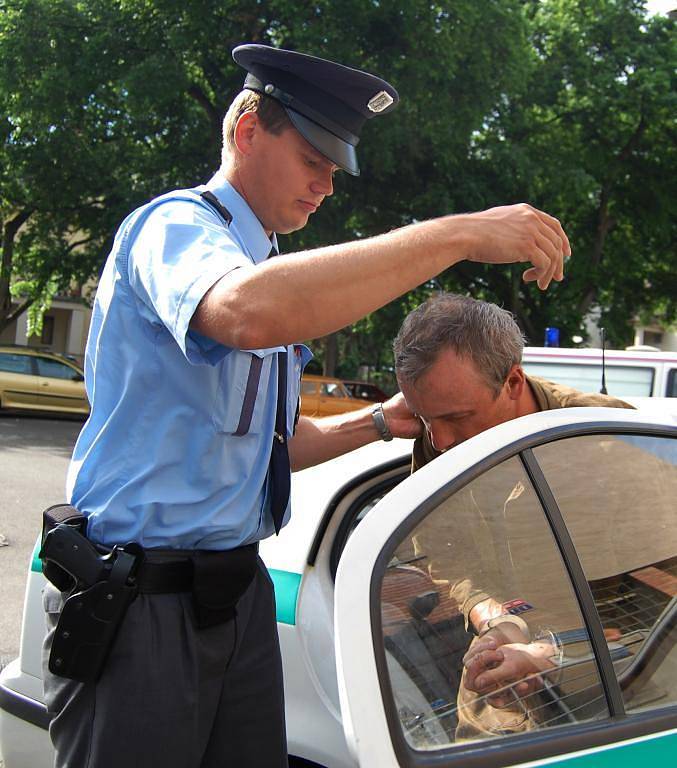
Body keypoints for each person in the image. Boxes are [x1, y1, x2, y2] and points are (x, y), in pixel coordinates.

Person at [42, 44, 571, 768]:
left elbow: (272, 443)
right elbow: (242, 315)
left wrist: (378, 423)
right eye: (314, 157)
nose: (326, 184)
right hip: (145, 601)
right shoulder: (176, 229)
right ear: (249, 131)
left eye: (334, 167)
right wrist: (456, 235)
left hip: (234, 593)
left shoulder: (258, 265)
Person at [392, 292, 633, 740]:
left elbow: (659, 598)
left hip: (623, 689)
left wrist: (555, 653)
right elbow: (444, 551)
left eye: (456, 417)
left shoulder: (602, 438)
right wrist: (494, 617)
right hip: (499, 684)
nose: (440, 442)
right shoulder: (441, 436)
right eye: (424, 419)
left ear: (514, 381)